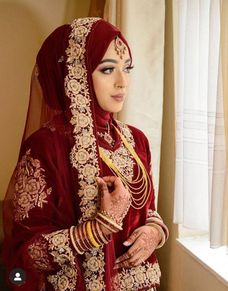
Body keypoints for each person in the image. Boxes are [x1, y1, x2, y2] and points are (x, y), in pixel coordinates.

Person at [2, 17, 169, 291]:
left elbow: (148, 210)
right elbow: (27, 254)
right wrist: (99, 228)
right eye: (107, 70)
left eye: (127, 68)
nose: (122, 82)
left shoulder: (136, 140)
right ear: (75, 74)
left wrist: (155, 232)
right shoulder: (46, 146)